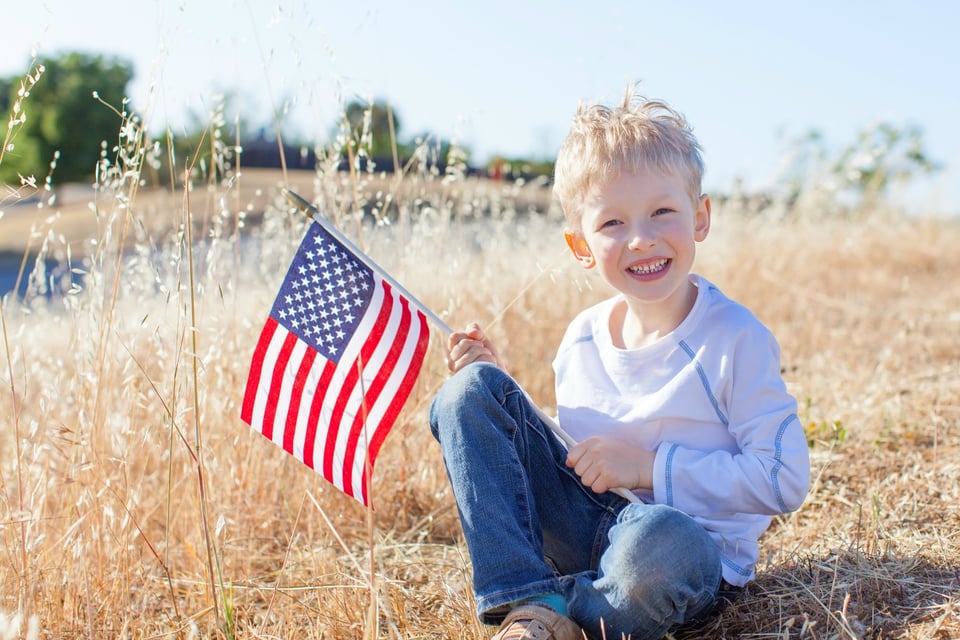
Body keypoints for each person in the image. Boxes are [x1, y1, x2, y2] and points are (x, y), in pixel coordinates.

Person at [429, 84, 811, 640]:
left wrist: (647, 468)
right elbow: (572, 460)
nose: (640, 239)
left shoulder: (733, 339)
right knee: (467, 392)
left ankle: (564, 612)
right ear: (580, 245)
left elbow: (784, 479)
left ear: (700, 217)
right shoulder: (580, 339)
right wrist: (497, 386)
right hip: (587, 532)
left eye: (662, 212)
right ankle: (526, 600)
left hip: (680, 552)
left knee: (660, 542)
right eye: (612, 224)